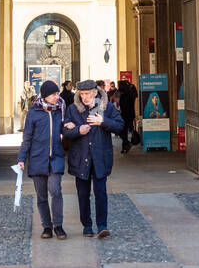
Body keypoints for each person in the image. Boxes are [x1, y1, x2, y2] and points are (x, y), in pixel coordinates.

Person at [62, 80, 125, 238]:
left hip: (100, 158)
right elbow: (65, 131)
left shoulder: (107, 108)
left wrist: (102, 122)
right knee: (83, 195)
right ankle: (87, 225)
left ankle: (102, 225)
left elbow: (120, 125)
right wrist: (78, 130)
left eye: (87, 94)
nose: (84, 97)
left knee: (100, 193)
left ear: (95, 93)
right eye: (81, 94)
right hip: (80, 158)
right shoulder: (73, 109)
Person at [18, 79, 67, 239]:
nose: (56, 96)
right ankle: (47, 227)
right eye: (53, 94)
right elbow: (27, 138)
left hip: (56, 157)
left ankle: (58, 226)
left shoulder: (60, 109)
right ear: (45, 96)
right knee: (41, 196)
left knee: (55, 190)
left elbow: (65, 129)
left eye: (57, 93)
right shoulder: (33, 113)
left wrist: (71, 127)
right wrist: (21, 158)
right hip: (38, 158)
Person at [118, 75, 138, 154]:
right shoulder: (131, 94)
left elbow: (120, 105)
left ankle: (126, 144)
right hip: (130, 114)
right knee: (126, 130)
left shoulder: (123, 95)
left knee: (122, 131)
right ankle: (125, 146)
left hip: (124, 115)